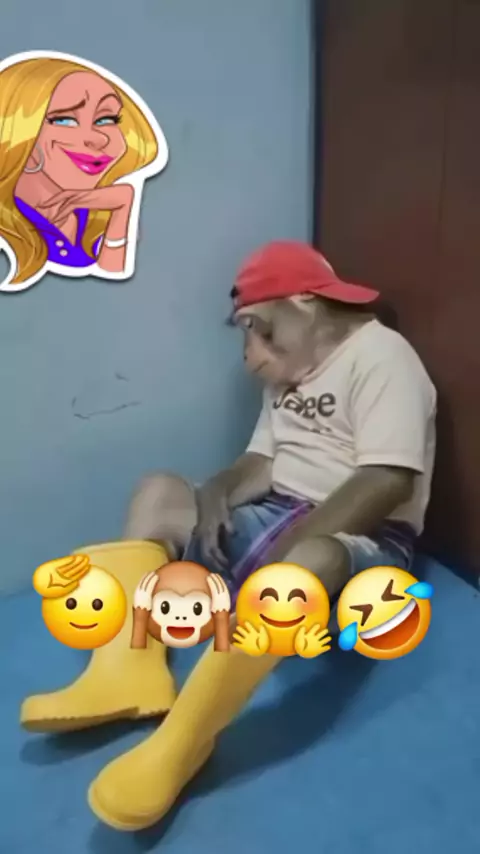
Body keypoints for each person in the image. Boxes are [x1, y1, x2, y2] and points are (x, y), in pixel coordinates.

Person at [21, 241, 437, 831]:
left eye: (258, 330)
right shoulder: (287, 378)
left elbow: (388, 479)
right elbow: (259, 463)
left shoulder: (382, 356)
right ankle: (127, 669)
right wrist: (216, 493)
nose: (251, 357)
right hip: (276, 517)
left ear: (305, 303)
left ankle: (184, 740)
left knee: (309, 559)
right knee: (159, 489)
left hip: (359, 543)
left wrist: (288, 556)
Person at [0, 51, 167, 292]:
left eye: (106, 119)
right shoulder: (8, 231)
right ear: (16, 131)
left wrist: (122, 210)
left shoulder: (95, 220)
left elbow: (115, 298)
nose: (98, 138)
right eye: (64, 120)